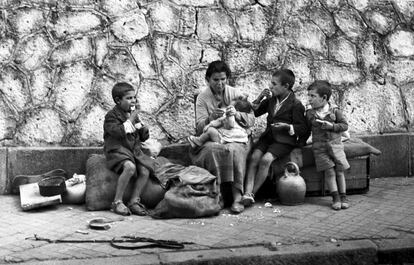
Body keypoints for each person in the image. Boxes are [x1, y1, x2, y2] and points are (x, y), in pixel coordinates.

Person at [192, 60, 255, 214]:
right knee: (212, 150)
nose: (220, 84)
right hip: (214, 135)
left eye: (223, 79)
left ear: (227, 79)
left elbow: (251, 118)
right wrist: (210, 117)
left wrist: (236, 114)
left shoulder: (235, 93)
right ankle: (217, 195)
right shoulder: (202, 98)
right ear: (207, 80)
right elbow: (200, 126)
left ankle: (237, 197)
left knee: (234, 150)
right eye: (215, 80)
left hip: (237, 136)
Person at [242, 69, 308, 207]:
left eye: (274, 84)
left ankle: (252, 194)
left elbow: (302, 128)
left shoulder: (296, 104)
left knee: (266, 160)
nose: (271, 86)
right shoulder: (272, 99)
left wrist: (287, 127)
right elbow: (255, 111)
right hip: (268, 137)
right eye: (271, 83)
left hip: (284, 141)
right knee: (254, 157)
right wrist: (260, 98)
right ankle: (246, 193)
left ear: (286, 86)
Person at [103, 82, 155, 216]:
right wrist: (132, 118)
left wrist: (144, 130)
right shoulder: (111, 116)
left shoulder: (133, 115)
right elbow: (118, 132)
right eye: (129, 98)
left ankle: (134, 200)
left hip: (133, 151)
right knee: (130, 167)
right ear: (118, 100)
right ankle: (117, 202)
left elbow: (142, 138)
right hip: (117, 151)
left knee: (145, 170)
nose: (133, 101)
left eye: (134, 97)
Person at [306, 80, 350, 210]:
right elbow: (306, 128)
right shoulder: (310, 113)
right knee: (329, 172)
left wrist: (332, 126)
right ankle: (335, 197)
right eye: (308, 96)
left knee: (340, 171)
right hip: (320, 148)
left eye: (313, 96)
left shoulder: (335, 111)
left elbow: (344, 126)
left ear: (324, 98)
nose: (309, 99)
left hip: (336, 146)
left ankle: (343, 196)